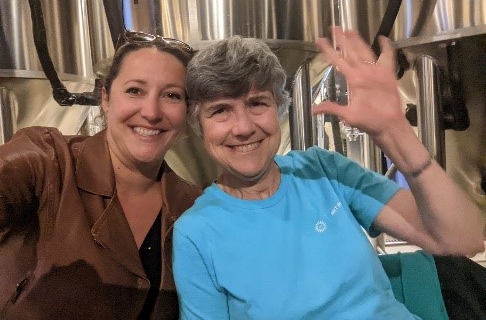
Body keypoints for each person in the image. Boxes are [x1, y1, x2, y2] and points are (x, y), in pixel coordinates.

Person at [172, 27, 485, 319]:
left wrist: (395, 131)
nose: (243, 128)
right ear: (199, 125)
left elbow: (463, 238)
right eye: (221, 110)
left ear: (278, 107)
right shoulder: (196, 233)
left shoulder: (323, 169)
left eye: (257, 103)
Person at [0, 31, 202, 320]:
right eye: (135, 91)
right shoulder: (49, 161)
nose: (152, 112)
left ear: (187, 110)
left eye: (172, 95)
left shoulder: (194, 207)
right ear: (106, 97)